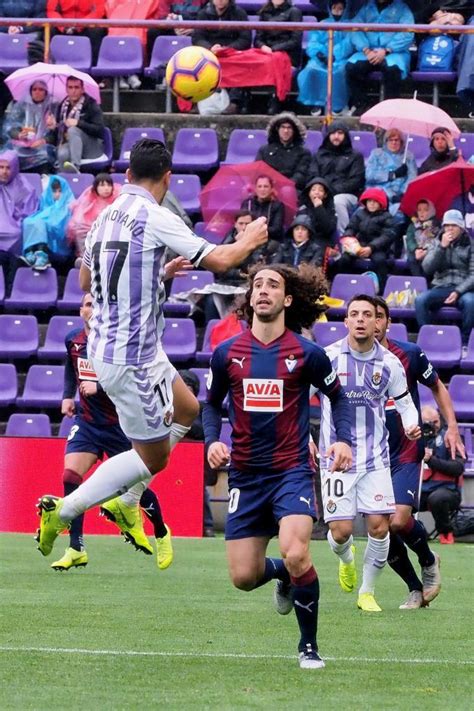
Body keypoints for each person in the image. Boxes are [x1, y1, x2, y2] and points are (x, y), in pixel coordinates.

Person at [35, 137, 269, 559]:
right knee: (154, 458)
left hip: (115, 344)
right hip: (130, 357)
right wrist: (250, 239)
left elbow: (87, 283)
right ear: (168, 178)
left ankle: (126, 503)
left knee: (188, 409)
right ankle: (65, 510)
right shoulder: (154, 215)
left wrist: (154, 271)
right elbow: (219, 260)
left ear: (126, 176)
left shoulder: (104, 216)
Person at [203, 263, 352, 669]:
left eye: (273, 285)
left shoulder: (307, 354)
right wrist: (214, 440)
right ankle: (282, 575)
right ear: (250, 298)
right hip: (246, 476)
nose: (264, 290)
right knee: (243, 578)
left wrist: (342, 440)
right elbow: (211, 405)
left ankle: (308, 647)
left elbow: (338, 398)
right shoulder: (226, 354)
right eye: (258, 285)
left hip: (291, 471)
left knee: (297, 551)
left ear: (287, 299)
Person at [51, 292, 173, 571]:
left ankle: (161, 531)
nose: (91, 309)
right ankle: (75, 546)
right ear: (81, 310)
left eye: (96, 304)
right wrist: (67, 396)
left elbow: (133, 377)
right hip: (88, 422)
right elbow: (71, 369)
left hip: (120, 424)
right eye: (87, 304)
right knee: (70, 475)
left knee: (134, 489)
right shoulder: (73, 340)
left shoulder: (117, 344)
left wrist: (101, 387)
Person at [320, 294, 421, 613]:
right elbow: (300, 397)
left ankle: (367, 592)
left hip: (376, 458)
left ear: (378, 322)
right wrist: (302, 437)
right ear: (346, 321)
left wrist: (411, 424)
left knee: (379, 527)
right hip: (335, 458)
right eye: (355, 314)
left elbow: (405, 403)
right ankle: (345, 559)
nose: (361, 319)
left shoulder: (390, 363)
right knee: (341, 532)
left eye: (368, 314)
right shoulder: (328, 358)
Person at [374, 297, 464, 608]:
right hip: (368, 454)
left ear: (387, 322)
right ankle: (414, 588)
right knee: (379, 529)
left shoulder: (409, 354)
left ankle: (428, 560)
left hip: (405, 449)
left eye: (377, 316)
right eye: (361, 315)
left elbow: (438, 386)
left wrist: (451, 426)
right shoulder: (345, 359)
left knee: (398, 520)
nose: (370, 322)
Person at [415, 209, 474, 346]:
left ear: (461, 227)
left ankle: (465, 342)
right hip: (441, 286)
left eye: (453, 226)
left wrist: (458, 291)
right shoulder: (436, 243)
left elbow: (473, 274)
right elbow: (427, 268)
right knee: (420, 300)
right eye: (447, 226)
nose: (450, 229)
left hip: (463, 288)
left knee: (471, 302)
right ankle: (428, 340)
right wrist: (441, 248)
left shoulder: (470, 244)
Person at [345, 0, 414, 114]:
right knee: (352, 67)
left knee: (392, 69)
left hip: (394, 52)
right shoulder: (366, 7)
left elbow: (408, 33)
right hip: (369, 51)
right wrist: (366, 49)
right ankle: (361, 105)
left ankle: (390, 109)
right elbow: (355, 29)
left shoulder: (403, 8)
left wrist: (387, 50)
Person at [193, 0, 252, 115]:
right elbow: (197, 37)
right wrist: (210, 48)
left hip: (231, 52)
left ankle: (235, 102)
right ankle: (197, 100)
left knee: (240, 64)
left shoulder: (239, 13)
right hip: (210, 52)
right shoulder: (203, 13)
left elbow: (245, 39)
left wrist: (227, 49)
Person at [307, 120, 365, 234]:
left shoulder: (355, 156)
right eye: (333, 133)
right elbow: (312, 176)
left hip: (347, 195)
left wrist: (331, 191)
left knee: (337, 201)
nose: (336, 136)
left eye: (340, 133)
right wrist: (321, 191)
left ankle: (344, 238)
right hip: (323, 192)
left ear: (345, 135)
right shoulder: (319, 155)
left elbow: (356, 181)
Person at [297, 0, 353, 117]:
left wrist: (334, 55)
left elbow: (348, 44)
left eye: (340, 8)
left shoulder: (350, 25)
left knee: (339, 72)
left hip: (339, 59)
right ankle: (316, 102)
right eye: (334, 8)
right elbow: (313, 42)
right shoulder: (322, 23)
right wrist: (320, 54)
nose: (337, 11)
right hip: (320, 58)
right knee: (311, 70)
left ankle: (338, 105)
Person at [420, 405, 465, 545]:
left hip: (448, 490)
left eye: (435, 422)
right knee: (401, 499)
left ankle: (446, 532)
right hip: (422, 488)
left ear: (439, 419)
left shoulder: (451, 437)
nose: (432, 426)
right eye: (428, 423)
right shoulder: (415, 439)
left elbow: (458, 467)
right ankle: (419, 533)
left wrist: (431, 460)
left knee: (437, 498)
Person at [337, 187, 396, 292]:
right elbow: (351, 228)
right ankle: (344, 287)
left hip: (378, 248)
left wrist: (371, 247)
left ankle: (382, 291)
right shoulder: (359, 214)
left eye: (375, 201)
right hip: (360, 245)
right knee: (344, 260)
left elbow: (387, 235)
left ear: (381, 203)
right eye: (369, 201)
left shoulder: (387, 217)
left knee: (380, 261)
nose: (372, 204)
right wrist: (348, 239)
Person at [45, 76, 105, 173]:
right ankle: (66, 180)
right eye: (70, 87)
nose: (73, 91)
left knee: (73, 130)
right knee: (62, 154)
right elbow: (59, 131)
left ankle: (75, 166)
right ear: (66, 89)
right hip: (68, 144)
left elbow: (99, 130)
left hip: (91, 147)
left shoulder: (91, 105)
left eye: (76, 87)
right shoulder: (62, 106)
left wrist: (78, 123)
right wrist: (53, 127)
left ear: (82, 89)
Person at [254, 0, 302, 115]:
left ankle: (275, 99)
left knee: (275, 61)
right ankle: (240, 99)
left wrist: (274, 49)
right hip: (267, 51)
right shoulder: (264, 12)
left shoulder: (294, 12)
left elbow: (295, 40)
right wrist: (263, 46)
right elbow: (258, 38)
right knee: (247, 60)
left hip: (287, 53)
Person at [22, 175, 74, 270]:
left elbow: (61, 225)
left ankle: (42, 255)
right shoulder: (46, 205)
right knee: (28, 221)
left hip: (58, 244)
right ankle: (30, 253)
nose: (57, 194)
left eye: (60, 191)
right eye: (54, 191)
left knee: (41, 223)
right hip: (48, 235)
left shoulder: (69, 205)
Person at [2, 80, 56, 173]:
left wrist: (44, 140)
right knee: (8, 154)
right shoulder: (21, 106)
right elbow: (10, 127)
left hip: (41, 147)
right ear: (30, 91)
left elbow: (55, 135)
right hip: (20, 144)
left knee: (46, 155)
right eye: (34, 89)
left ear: (46, 92)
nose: (37, 92)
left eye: (41, 89)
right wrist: (18, 135)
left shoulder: (52, 107)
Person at [67, 173, 121, 261]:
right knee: (81, 229)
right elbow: (80, 220)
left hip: (111, 232)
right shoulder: (88, 198)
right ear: (96, 187)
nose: (106, 188)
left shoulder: (118, 199)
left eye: (109, 185)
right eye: (102, 185)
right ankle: (85, 259)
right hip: (91, 231)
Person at [256, 112, 311, 193]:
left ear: (294, 131)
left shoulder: (303, 152)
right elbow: (259, 171)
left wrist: (285, 184)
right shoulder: (264, 150)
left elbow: (301, 174)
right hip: (267, 187)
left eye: (289, 128)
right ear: (277, 129)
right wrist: (269, 185)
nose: (286, 131)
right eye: (283, 127)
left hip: (292, 189)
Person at [0, 149, 39, 253]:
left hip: (13, 228)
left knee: (16, 233)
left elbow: (29, 215)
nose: (4, 172)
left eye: (8, 168)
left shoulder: (25, 189)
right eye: (1, 167)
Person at [47, 0, 106, 65]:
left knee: (96, 31)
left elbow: (98, 11)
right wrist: (63, 26)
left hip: (86, 26)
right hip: (63, 26)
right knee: (49, 29)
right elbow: (52, 11)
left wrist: (79, 25)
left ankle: (93, 66)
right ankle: (52, 65)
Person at [241, 175, 285, 248]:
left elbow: (276, 229)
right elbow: (241, 224)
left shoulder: (278, 205)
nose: (262, 189)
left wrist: (255, 230)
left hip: (268, 242)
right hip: (247, 241)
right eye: (260, 186)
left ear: (271, 189)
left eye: (266, 186)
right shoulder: (247, 203)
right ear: (255, 189)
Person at [296, 177, 337, 254]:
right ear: (309, 193)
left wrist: (319, 208)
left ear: (325, 195)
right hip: (304, 242)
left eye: (320, 190)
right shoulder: (302, 209)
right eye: (313, 190)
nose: (316, 192)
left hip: (321, 242)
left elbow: (327, 230)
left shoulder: (331, 210)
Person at [405, 199, 441, 278]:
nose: (421, 212)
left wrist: (426, 251)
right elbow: (410, 239)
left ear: (431, 211)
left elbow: (437, 240)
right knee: (411, 259)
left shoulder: (436, 225)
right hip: (416, 250)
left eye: (425, 210)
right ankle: (418, 281)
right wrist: (416, 249)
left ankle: (428, 281)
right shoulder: (413, 225)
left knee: (430, 259)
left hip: (430, 249)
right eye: (419, 210)